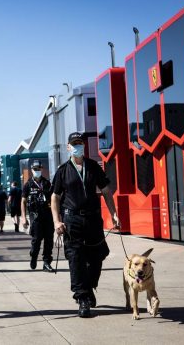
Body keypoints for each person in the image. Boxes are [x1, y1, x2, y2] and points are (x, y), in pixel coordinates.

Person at [51, 132, 121, 318]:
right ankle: (82, 298)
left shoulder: (93, 167)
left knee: (98, 256)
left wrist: (114, 214)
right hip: (71, 221)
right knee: (76, 260)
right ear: (68, 147)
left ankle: (89, 287)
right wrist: (57, 221)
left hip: (92, 220)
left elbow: (106, 190)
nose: (77, 146)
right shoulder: (63, 170)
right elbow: (55, 197)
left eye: (80, 143)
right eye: (74, 144)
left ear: (84, 145)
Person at [21, 160, 55, 273]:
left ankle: (46, 262)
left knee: (49, 240)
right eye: (35, 169)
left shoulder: (47, 183)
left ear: (42, 169)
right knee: (36, 240)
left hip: (48, 215)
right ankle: (34, 256)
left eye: (38, 169)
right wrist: (23, 217)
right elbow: (23, 201)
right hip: (35, 216)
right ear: (32, 170)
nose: (37, 171)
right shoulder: (28, 184)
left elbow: (54, 200)